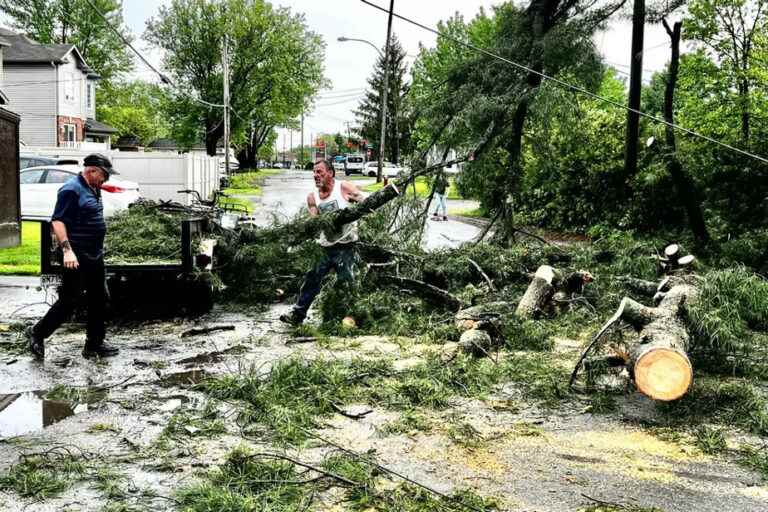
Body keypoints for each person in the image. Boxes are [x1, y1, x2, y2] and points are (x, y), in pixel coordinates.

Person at [26, 154, 120, 360]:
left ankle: (94, 345)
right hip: (76, 255)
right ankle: (37, 333)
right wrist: (67, 250)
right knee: (70, 300)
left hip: (94, 254)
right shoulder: (71, 190)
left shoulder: (94, 188)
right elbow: (58, 222)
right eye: (104, 175)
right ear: (92, 171)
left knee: (99, 299)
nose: (106, 180)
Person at [279, 159, 365, 325]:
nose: (316, 176)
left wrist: (353, 211)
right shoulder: (313, 197)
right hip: (325, 246)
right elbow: (315, 223)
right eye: (314, 172)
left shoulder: (343, 188)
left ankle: (351, 318)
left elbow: (365, 202)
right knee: (312, 278)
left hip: (347, 246)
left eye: (320, 172)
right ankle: (297, 314)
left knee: (346, 281)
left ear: (330, 173)